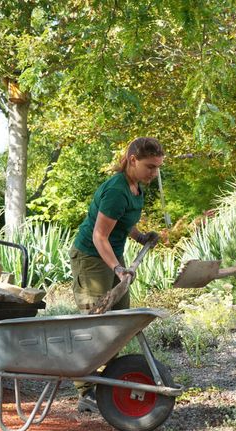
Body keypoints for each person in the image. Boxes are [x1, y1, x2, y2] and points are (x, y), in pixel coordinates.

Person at [69, 136, 164, 412]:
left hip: (112, 256)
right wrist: (118, 268)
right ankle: (86, 393)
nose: (154, 173)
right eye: (150, 167)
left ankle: (109, 385)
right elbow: (100, 236)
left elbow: (124, 223)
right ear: (132, 160)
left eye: (157, 167)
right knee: (95, 325)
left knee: (119, 324)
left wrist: (140, 235)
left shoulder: (137, 188)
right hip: (91, 257)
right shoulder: (116, 190)